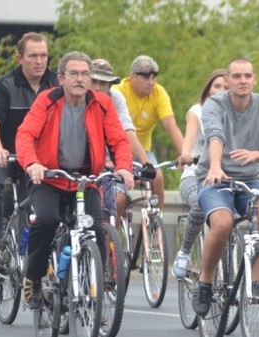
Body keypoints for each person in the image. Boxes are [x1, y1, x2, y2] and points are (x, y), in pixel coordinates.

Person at [15, 51, 134, 310]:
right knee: (47, 220)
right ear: (61, 78)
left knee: (94, 230)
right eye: (73, 74)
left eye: (84, 74)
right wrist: (32, 163)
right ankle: (33, 278)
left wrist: (124, 167)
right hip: (49, 178)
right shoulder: (47, 100)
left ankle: (94, 293)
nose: (80, 79)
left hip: (86, 180)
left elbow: (119, 141)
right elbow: (25, 134)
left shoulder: (102, 103)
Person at [192, 58, 259, 316]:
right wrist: (214, 166)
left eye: (247, 76)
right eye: (236, 76)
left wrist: (256, 155)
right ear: (228, 81)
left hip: (250, 180)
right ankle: (205, 281)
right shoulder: (215, 104)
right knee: (222, 223)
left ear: (254, 79)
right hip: (215, 178)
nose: (242, 81)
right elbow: (214, 136)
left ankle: (256, 280)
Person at [0, 32, 58, 265]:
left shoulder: (56, 83)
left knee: (44, 201)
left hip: (38, 159)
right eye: (33, 56)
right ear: (20, 59)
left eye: (43, 56)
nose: (39, 61)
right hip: (7, 155)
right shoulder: (5, 86)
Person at [171, 68, 228, 279]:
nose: (221, 91)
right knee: (200, 203)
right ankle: (184, 252)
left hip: (223, 177)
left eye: (226, 88)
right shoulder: (198, 111)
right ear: (208, 89)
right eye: (217, 86)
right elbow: (189, 137)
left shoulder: (237, 115)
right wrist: (186, 154)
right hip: (194, 175)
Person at [112, 55, 184, 209]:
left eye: (154, 77)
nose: (151, 82)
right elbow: (124, 131)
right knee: (119, 198)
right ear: (132, 77)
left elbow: (171, 125)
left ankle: (155, 224)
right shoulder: (118, 91)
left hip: (143, 151)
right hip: (117, 151)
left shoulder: (158, 93)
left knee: (157, 178)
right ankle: (117, 230)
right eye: (145, 77)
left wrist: (185, 154)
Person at [88, 58, 154, 221]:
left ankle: (112, 244)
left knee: (113, 205)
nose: (97, 87)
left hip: (110, 162)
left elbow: (126, 132)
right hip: (83, 164)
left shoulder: (115, 99)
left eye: (103, 83)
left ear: (110, 85)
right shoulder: (78, 98)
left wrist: (146, 163)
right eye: (94, 81)